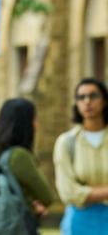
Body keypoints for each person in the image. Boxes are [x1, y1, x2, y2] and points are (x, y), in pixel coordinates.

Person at [0, 98, 53, 235]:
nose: (37, 124)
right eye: (34, 119)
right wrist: (33, 205)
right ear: (26, 124)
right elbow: (47, 197)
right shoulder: (20, 156)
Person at [53, 78, 108, 235]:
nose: (87, 101)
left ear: (104, 101)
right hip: (80, 222)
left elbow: (77, 192)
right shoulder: (67, 142)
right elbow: (68, 192)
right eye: (81, 97)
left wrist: (85, 192)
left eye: (93, 96)